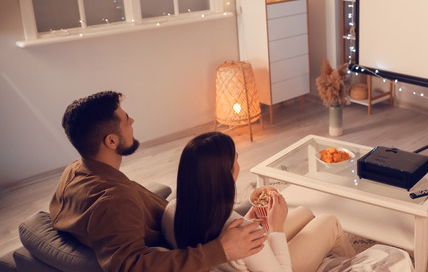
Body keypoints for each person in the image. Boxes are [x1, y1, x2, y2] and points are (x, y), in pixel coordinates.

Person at [50, 91, 267, 272]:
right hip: (186, 234)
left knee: (256, 205)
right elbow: (134, 266)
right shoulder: (114, 202)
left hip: (177, 218)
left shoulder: (77, 169)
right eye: (126, 119)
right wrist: (221, 249)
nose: (132, 121)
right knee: (271, 215)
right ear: (111, 140)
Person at [162, 132, 356, 272]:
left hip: (244, 260)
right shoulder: (245, 233)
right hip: (273, 266)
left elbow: (217, 233)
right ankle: (361, 265)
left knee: (305, 212)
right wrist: (276, 228)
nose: (239, 163)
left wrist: (248, 220)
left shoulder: (172, 210)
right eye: (236, 159)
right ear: (226, 175)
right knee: (330, 222)